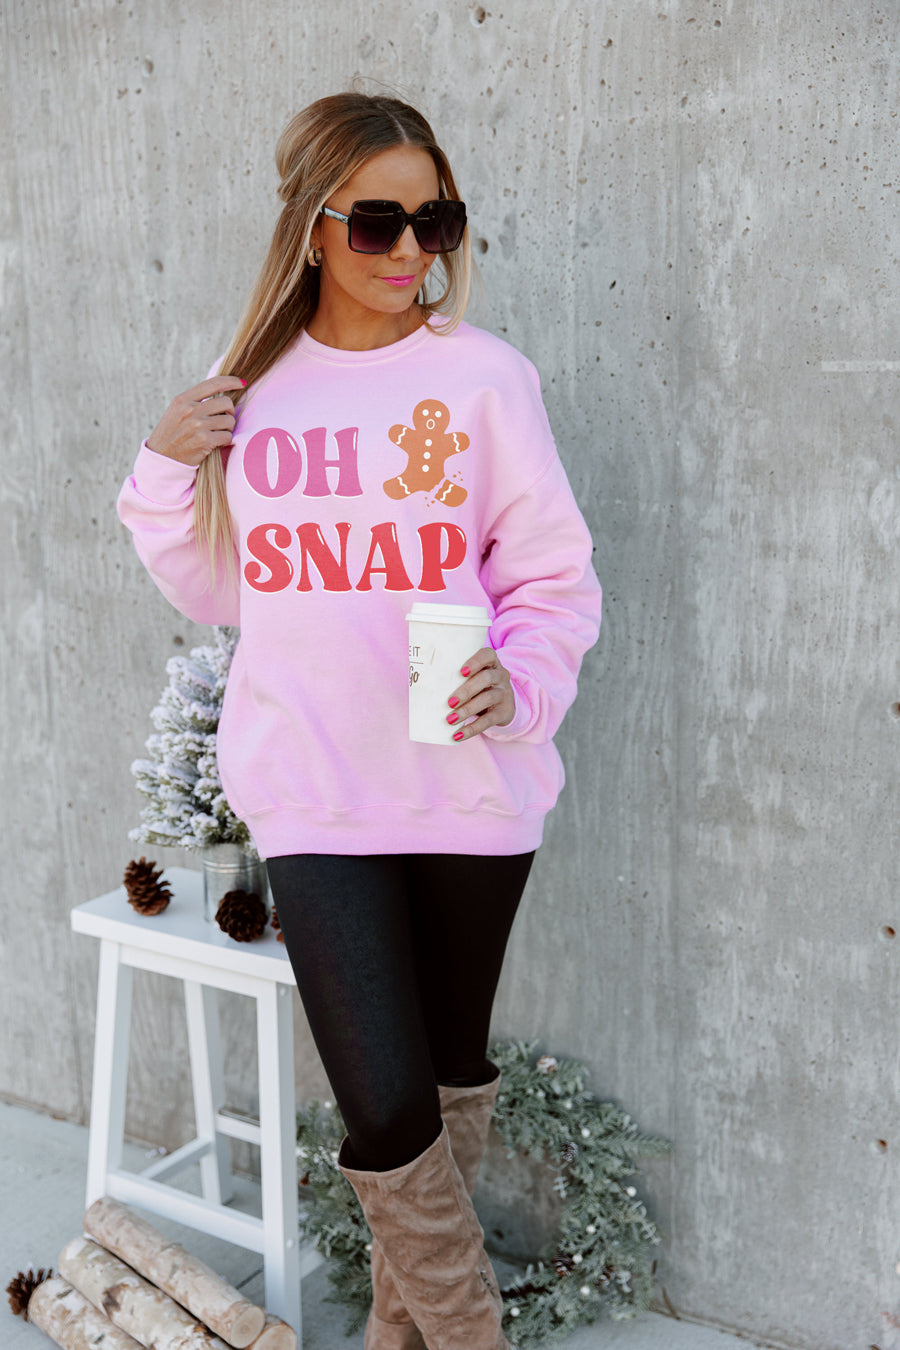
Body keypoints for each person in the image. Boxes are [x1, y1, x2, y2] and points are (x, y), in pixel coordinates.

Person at [117, 92, 602, 1350]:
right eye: (378, 223)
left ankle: (404, 1333)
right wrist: (166, 466)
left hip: (468, 782)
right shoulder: (253, 391)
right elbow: (218, 587)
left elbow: (554, 577)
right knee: (386, 1111)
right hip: (312, 784)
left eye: (434, 221)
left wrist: (521, 681)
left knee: (443, 1079)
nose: (410, 253)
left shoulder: (486, 380)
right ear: (313, 225)